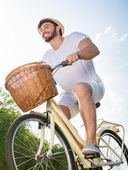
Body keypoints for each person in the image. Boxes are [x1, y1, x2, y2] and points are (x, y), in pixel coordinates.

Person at [37, 18, 105, 156]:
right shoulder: (47, 56)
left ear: (57, 28)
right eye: (41, 31)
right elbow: (45, 79)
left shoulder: (74, 37)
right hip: (68, 94)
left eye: (46, 27)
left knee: (79, 88)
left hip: (91, 85)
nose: (43, 31)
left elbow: (93, 50)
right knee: (55, 117)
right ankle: (83, 152)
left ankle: (92, 143)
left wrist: (78, 54)